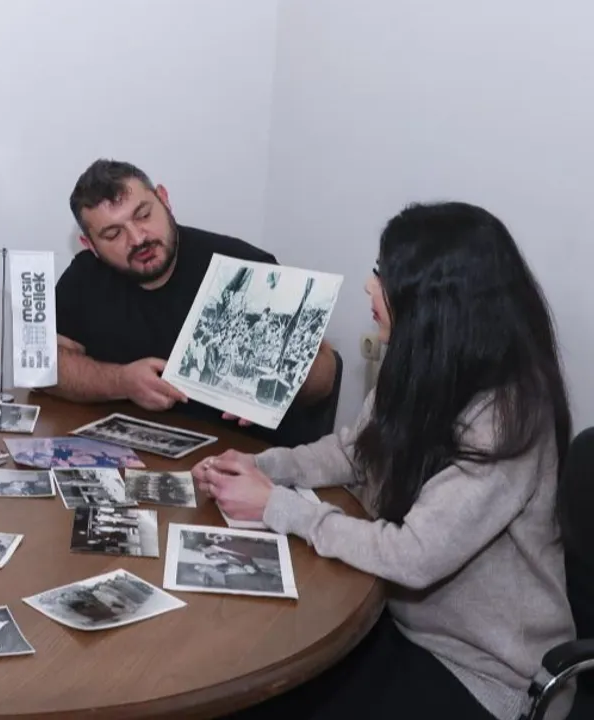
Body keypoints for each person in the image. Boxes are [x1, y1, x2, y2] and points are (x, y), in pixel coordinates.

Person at [194, 202, 576, 720]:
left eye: (384, 276)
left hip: (485, 674)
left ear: (436, 301)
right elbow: (354, 451)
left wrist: (276, 507)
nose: (370, 287)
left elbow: (413, 555)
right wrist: (262, 466)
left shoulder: (510, 415)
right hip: (395, 623)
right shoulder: (422, 361)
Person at [51, 159, 339, 446]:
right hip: (142, 453)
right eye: (114, 234)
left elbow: (326, 374)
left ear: (164, 199)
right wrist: (121, 382)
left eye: (143, 215)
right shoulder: (85, 276)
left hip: (247, 455)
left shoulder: (243, 266)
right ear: (91, 245)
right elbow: (48, 366)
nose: (137, 238)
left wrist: (280, 380)